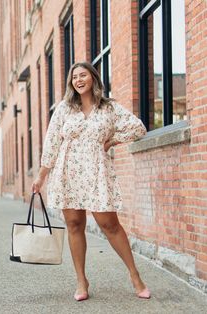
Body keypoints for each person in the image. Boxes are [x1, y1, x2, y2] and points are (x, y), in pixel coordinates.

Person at [32, 61, 150, 301]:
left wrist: (113, 140)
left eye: (82, 75)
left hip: (96, 171)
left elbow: (138, 128)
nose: (78, 80)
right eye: (74, 77)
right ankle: (81, 281)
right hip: (68, 172)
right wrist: (42, 175)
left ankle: (135, 275)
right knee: (75, 224)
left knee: (110, 225)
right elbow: (52, 141)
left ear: (93, 78)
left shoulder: (109, 108)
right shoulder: (65, 109)